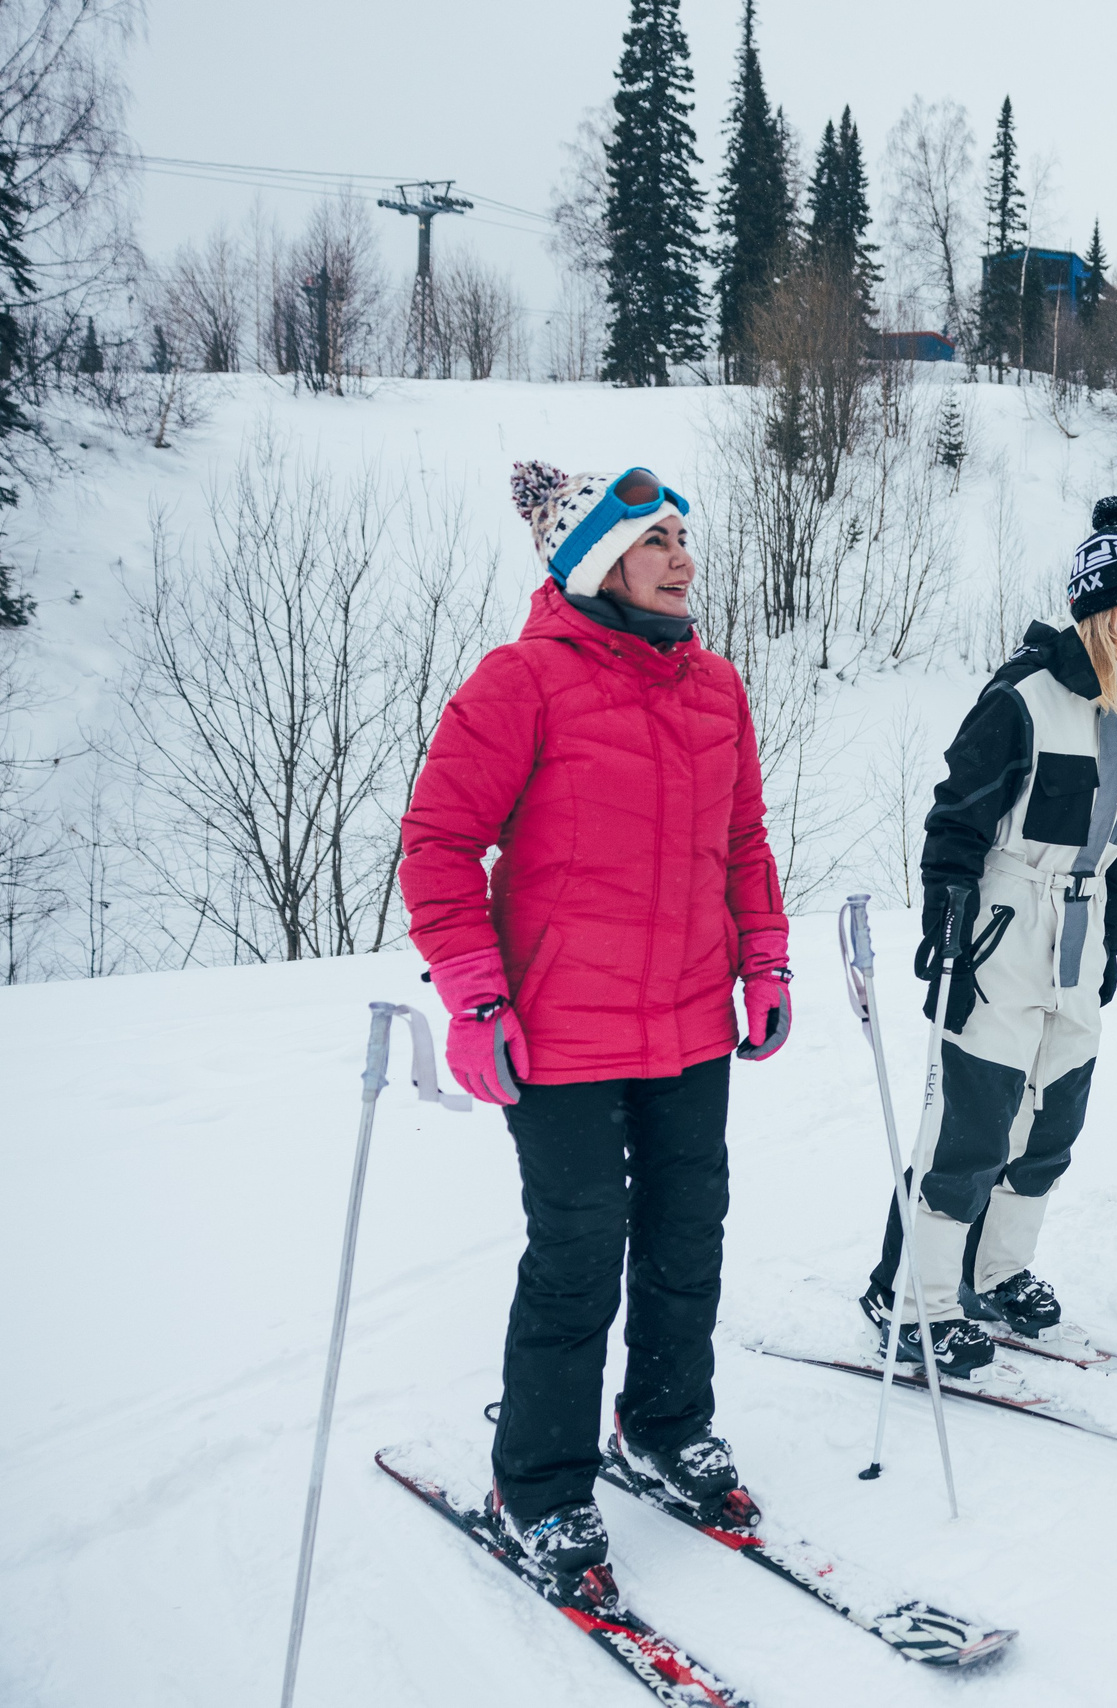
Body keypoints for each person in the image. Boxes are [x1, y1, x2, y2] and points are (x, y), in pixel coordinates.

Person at [401, 462, 792, 1599]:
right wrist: (475, 992)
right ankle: (538, 1485)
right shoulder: (522, 681)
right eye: (656, 538)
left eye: (683, 534)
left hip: (687, 1026)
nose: (682, 555)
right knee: (576, 1258)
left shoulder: (715, 686)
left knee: (688, 1234)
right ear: (593, 565)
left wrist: (763, 957)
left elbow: (744, 844)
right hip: (562, 1034)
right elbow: (437, 845)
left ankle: (666, 1426)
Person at [859, 497, 1117, 1375]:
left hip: (1080, 939)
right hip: (1004, 926)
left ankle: (999, 1272)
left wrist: (1114, 938)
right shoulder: (1021, 702)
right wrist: (945, 915)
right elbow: (956, 818)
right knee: (971, 1125)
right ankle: (917, 1301)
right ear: (1095, 611)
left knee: (1051, 1124)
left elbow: (1114, 846)